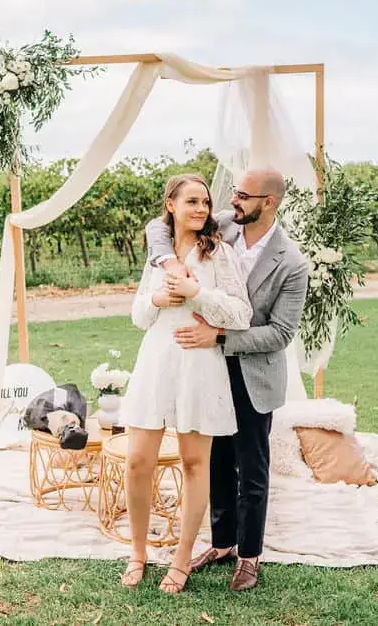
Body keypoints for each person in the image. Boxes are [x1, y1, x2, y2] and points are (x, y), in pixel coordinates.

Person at [144, 166, 309, 592]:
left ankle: (249, 555)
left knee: (251, 467)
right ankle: (220, 542)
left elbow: (280, 333)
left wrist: (218, 334)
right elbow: (157, 227)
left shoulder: (292, 262)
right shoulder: (225, 231)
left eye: (243, 196)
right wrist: (165, 263)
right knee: (214, 460)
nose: (232, 201)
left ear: (267, 203)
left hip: (253, 372)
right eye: (234, 192)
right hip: (210, 368)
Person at [118, 173, 252, 594]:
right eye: (191, 201)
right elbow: (138, 315)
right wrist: (156, 299)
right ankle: (137, 553)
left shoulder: (220, 254)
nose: (200, 209)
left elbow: (241, 314)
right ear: (171, 206)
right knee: (138, 462)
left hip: (198, 366)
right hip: (157, 363)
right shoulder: (158, 257)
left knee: (196, 465)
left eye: (205, 203)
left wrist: (198, 294)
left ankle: (180, 560)